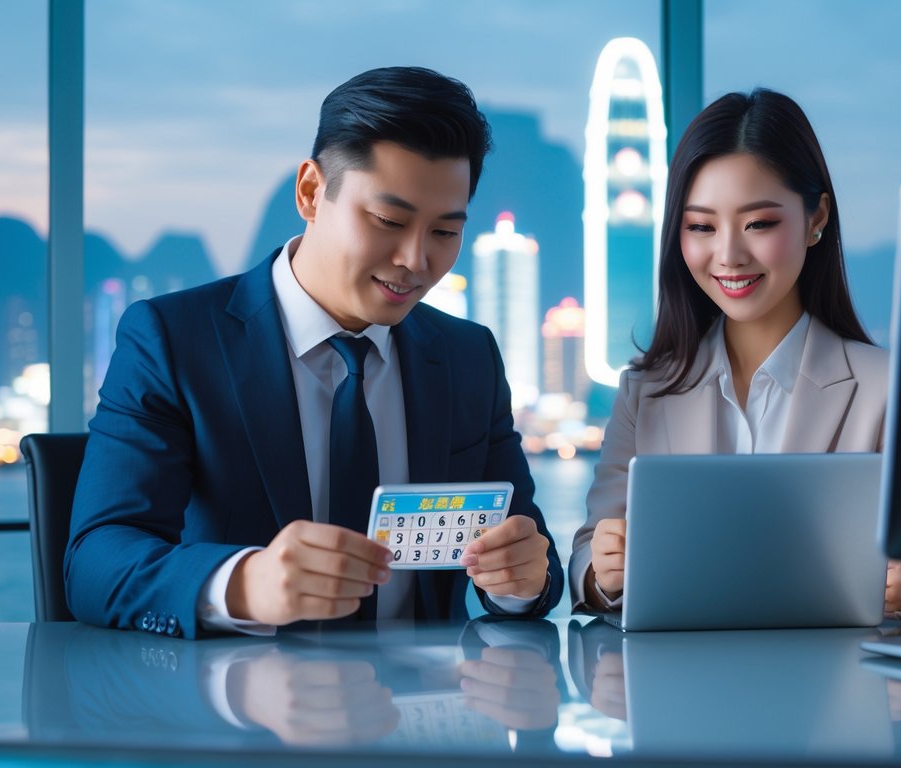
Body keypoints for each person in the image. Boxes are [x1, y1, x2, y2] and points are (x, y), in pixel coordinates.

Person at [66, 66, 563, 638]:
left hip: (425, 715)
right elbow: (96, 562)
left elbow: (530, 562)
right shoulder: (174, 340)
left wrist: (521, 583)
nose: (415, 260)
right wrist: (245, 583)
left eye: (445, 233)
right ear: (310, 192)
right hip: (240, 706)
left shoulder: (466, 356)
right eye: (388, 221)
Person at [570, 88, 901, 627]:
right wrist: (602, 572)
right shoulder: (645, 390)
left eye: (758, 224)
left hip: (841, 692)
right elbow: (589, 553)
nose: (729, 255)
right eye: (701, 227)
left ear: (816, 217)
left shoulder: (888, 387)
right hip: (682, 691)